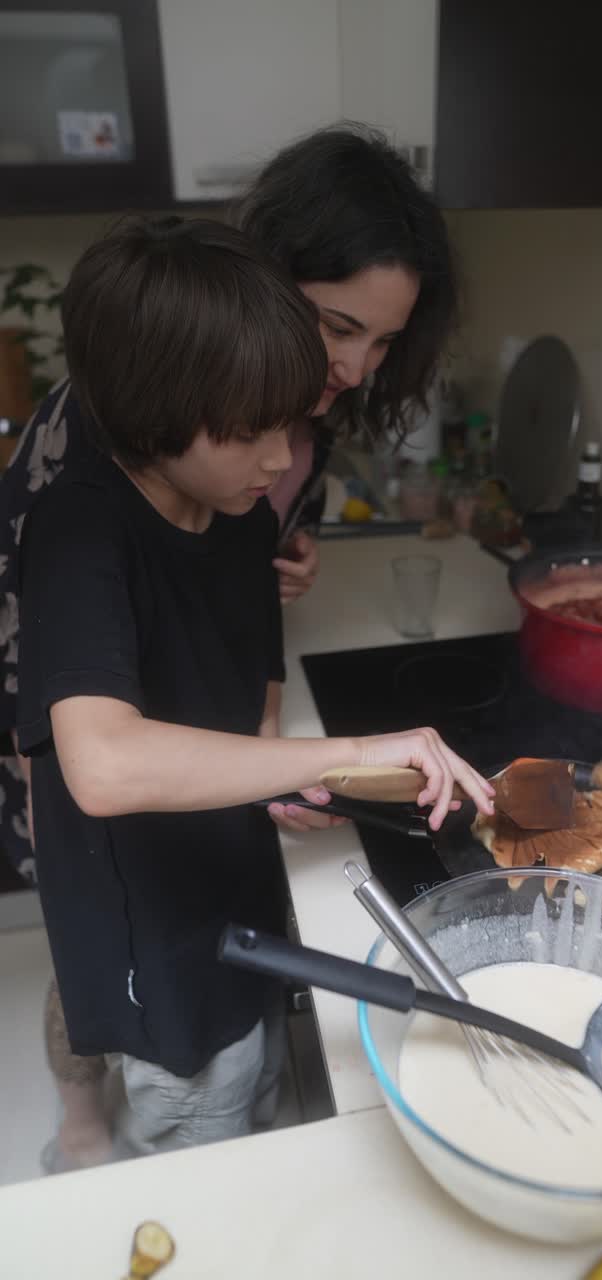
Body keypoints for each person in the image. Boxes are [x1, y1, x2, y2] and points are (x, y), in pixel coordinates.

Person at [0, 124, 458, 1168]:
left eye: (382, 344)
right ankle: (85, 1111)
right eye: (340, 328)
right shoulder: (89, 495)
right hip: (64, 709)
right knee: (101, 939)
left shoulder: (245, 461)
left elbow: (241, 585)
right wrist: (322, 756)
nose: (349, 372)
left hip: (195, 836)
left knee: (213, 1049)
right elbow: (99, 759)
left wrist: (262, 747)